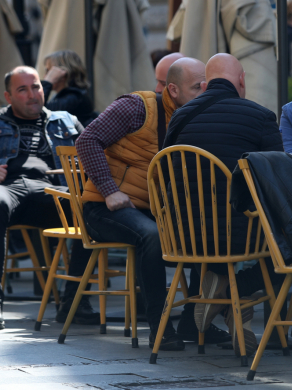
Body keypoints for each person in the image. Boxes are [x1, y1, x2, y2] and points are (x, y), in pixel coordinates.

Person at [76, 56, 214, 351]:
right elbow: (87, 140)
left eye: (206, 86)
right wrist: (110, 190)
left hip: (155, 211)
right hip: (105, 208)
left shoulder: (197, 115)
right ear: (173, 91)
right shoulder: (137, 106)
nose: (204, 93)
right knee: (149, 236)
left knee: (209, 229)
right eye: (196, 88)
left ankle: (193, 320)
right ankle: (160, 328)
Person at [0, 66, 96, 331]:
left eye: (36, 87)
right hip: (6, 187)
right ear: (8, 96)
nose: (32, 95)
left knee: (90, 209)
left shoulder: (66, 120)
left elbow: (93, 158)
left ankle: (74, 299)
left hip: (49, 190)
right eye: (23, 89)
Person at [163, 53, 284, 354]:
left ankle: (222, 298)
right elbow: (276, 183)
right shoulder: (260, 116)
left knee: (216, 214)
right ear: (242, 81)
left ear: (205, 85)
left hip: (182, 236)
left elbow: (165, 173)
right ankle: (233, 292)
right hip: (238, 236)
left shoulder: (179, 116)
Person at [42, 50, 94, 126]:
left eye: (48, 71)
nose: (45, 76)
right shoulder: (71, 95)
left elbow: (38, 112)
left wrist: (47, 82)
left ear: (62, 73)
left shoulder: (73, 97)